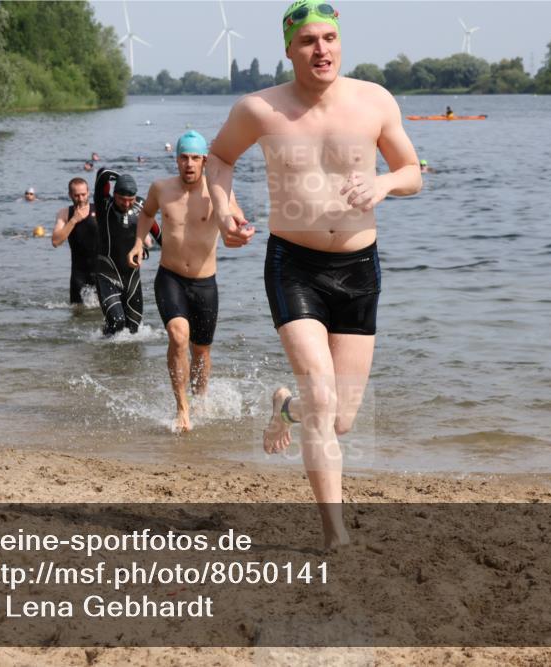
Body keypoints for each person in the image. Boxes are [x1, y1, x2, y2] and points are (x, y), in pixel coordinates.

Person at [205, 0, 422, 548]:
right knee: (324, 399)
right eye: (308, 41)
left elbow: (413, 171)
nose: (320, 49)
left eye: (329, 38)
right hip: (293, 265)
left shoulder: (374, 101)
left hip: (359, 269)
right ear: (289, 49)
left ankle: (286, 405)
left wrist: (383, 185)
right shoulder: (260, 109)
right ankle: (335, 535)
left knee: (339, 417)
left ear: (340, 43)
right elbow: (219, 160)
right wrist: (224, 206)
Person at [128, 131, 246, 433]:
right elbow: (146, 214)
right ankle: (182, 408)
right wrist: (138, 243)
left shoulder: (218, 191)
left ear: (204, 159)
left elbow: (237, 218)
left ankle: (200, 399)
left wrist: (240, 231)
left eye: (195, 158)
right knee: (178, 336)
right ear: (176, 159)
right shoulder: (161, 188)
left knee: (201, 351)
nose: (189, 164)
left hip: (205, 283)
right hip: (170, 277)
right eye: (184, 157)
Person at [94, 171, 161, 336]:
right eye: (122, 199)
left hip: (132, 277)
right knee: (117, 322)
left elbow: (157, 232)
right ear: (114, 195)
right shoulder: (104, 205)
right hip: (107, 274)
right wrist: (118, 176)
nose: (126, 203)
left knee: (134, 330)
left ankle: (127, 361)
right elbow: (101, 176)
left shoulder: (141, 207)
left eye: (130, 199)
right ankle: (103, 356)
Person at [51, 178, 99, 305]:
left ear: (88, 193)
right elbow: (56, 241)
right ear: (70, 195)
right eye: (76, 195)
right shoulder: (65, 213)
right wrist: (74, 220)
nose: (81, 198)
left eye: (83, 194)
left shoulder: (100, 210)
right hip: (79, 275)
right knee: (77, 315)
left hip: (102, 272)